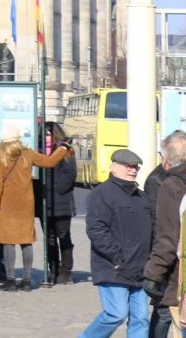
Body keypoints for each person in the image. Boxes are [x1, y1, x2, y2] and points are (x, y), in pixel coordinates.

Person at [0, 123, 70, 291]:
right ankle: (26, 280)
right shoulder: (27, 153)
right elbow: (49, 162)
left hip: (6, 204)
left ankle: (10, 279)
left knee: (7, 241)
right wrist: (62, 148)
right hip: (26, 203)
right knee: (26, 241)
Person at [80, 149, 151, 337]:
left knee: (141, 318)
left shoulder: (143, 198)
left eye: (135, 167)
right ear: (114, 167)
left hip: (140, 268)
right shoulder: (102, 194)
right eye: (128, 167)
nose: (133, 170)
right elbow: (96, 229)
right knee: (115, 314)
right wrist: (117, 257)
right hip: (114, 267)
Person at [143, 132, 186, 338]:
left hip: (179, 274)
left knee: (168, 315)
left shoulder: (171, 185)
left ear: (166, 159)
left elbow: (167, 239)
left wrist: (153, 274)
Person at [47, 121, 79, 287]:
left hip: (61, 200)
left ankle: (66, 272)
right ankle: (52, 269)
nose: (45, 137)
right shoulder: (41, 150)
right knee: (49, 239)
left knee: (64, 236)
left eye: (47, 133)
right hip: (46, 201)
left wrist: (58, 188)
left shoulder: (66, 150)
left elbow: (70, 173)